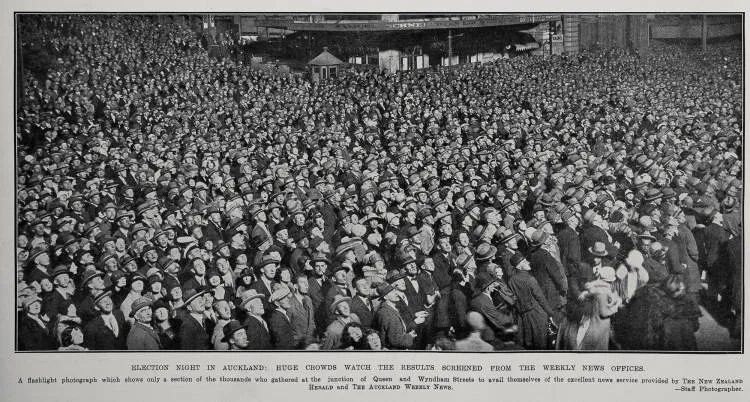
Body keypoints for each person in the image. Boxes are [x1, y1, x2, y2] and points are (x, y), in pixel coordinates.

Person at [557, 266, 622, 351]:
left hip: (593, 321)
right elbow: (604, 312)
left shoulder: (594, 288)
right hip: (601, 324)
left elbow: (583, 296)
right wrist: (616, 307)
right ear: (610, 281)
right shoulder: (603, 291)